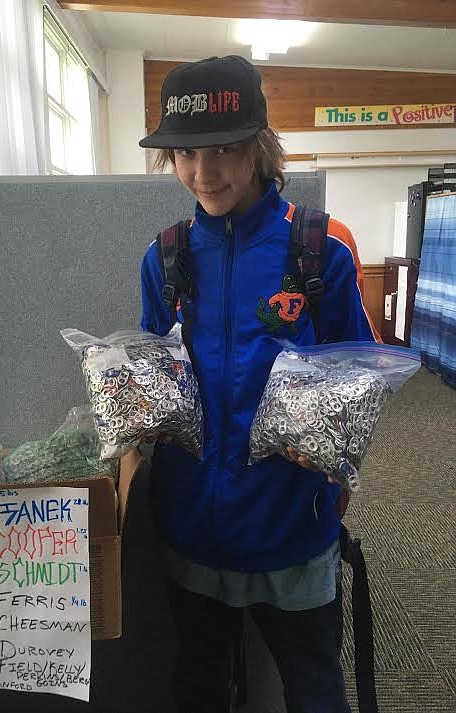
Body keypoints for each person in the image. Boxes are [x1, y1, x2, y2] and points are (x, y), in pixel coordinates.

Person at [138, 55, 379, 713]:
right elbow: (154, 378)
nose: (202, 171)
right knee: (198, 681)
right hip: (193, 521)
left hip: (291, 521)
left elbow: (355, 378)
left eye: (224, 148)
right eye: (185, 154)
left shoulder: (315, 251)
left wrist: (336, 473)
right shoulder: (164, 257)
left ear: (259, 146)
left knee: (312, 684)